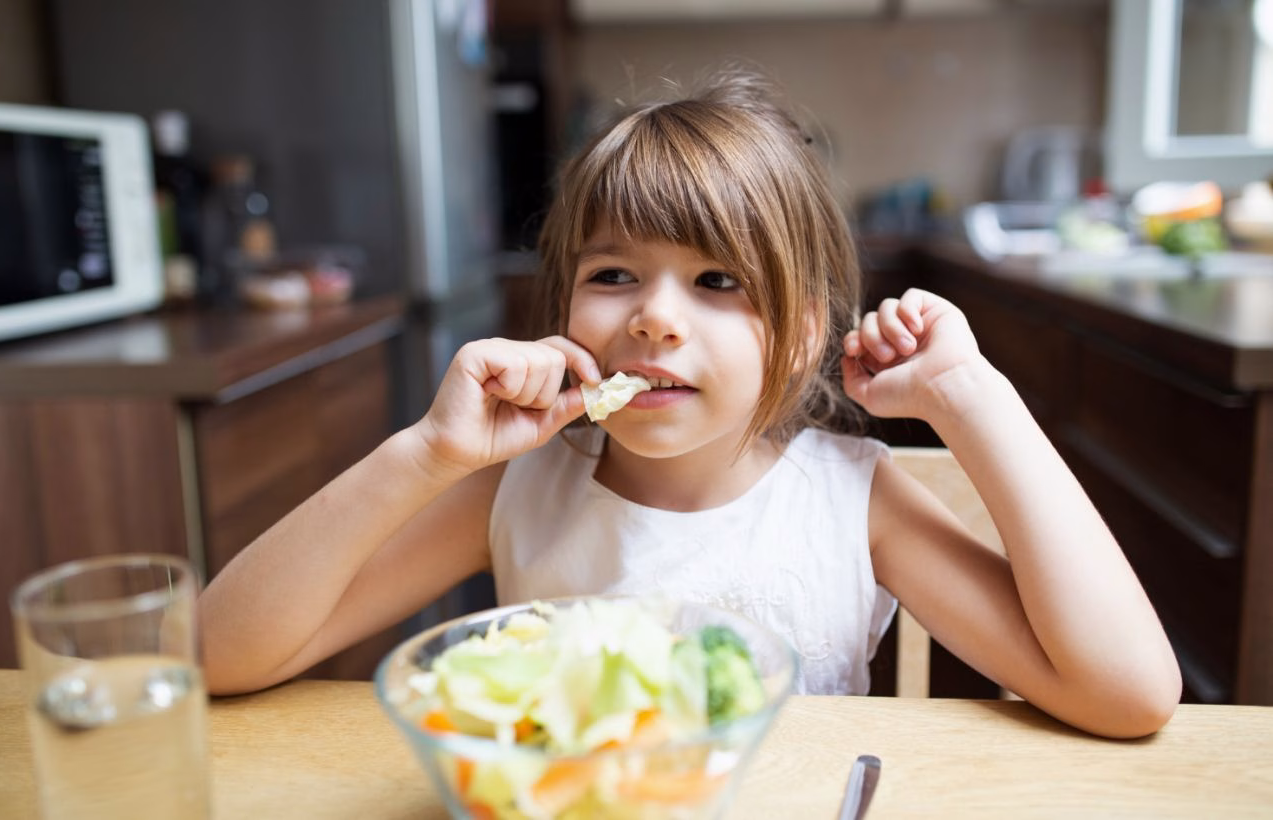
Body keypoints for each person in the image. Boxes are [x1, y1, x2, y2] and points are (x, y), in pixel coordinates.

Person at [199, 67, 1180, 738]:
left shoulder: (854, 502)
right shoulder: (517, 488)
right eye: (615, 273)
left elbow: (1128, 693)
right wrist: (425, 454)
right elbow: (217, 656)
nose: (655, 320)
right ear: (563, 306)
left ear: (797, 334)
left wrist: (971, 398)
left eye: (717, 283)